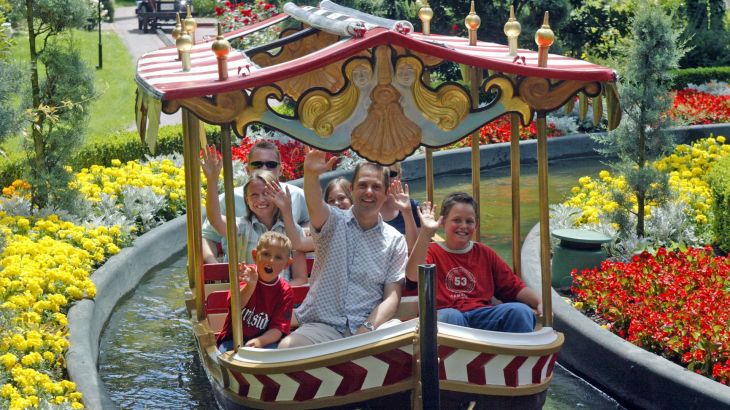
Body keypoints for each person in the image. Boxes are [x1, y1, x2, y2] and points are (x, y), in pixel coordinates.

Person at [277, 150, 408, 348]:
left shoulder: (395, 240)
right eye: (363, 185)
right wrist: (311, 175)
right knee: (288, 347)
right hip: (323, 326)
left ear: (386, 192)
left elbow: (392, 297)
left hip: (368, 328)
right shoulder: (332, 220)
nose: (369, 192)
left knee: (403, 339)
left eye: (376, 187)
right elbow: (315, 206)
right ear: (352, 188)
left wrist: (367, 329)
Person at [405, 192, 541, 333]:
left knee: (520, 311)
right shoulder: (431, 251)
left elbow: (514, 287)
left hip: (482, 315)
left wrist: (540, 302)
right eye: (457, 220)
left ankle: (516, 352)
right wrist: (426, 233)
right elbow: (413, 276)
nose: (463, 226)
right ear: (443, 222)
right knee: (450, 317)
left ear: (476, 225)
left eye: (469, 222)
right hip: (447, 317)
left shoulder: (485, 252)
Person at [201, 146, 308, 285]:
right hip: (247, 298)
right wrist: (212, 180)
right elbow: (214, 219)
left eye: (266, 194)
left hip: (279, 300)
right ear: (247, 199)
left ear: (277, 195)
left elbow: (301, 278)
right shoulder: (241, 227)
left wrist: (275, 293)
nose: (261, 200)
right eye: (254, 195)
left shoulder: (292, 231)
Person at [216, 231, 294, 352]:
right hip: (233, 339)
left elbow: (278, 329)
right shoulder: (247, 275)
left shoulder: (285, 291)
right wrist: (251, 285)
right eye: (266, 254)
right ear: (254, 255)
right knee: (226, 354)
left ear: (287, 264)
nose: (271, 261)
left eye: (278, 257)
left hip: (266, 341)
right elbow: (235, 306)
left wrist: (260, 341)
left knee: (275, 355)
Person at [380, 162, 420, 252]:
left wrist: (407, 212)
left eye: (391, 174)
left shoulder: (412, 207)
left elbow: (414, 249)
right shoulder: (368, 208)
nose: (385, 179)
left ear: (399, 176)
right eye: (381, 174)